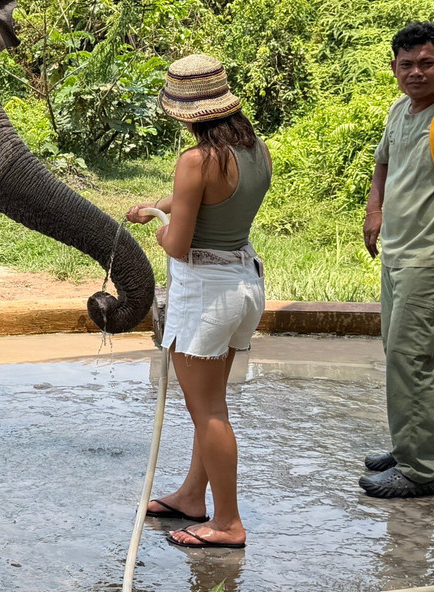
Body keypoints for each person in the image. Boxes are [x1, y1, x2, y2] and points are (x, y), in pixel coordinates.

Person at [125, 53, 270, 549]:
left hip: (205, 293)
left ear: (184, 112)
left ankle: (228, 523)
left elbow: (179, 245)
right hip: (244, 284)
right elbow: (205, 201)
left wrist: (160, 225)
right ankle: (192, 495)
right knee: (209, 402)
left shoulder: (195, 160)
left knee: (208, 411)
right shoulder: (254, 150)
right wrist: (157, 206)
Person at [360, 20, 434, 499]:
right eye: (406, 65)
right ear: (394, 69)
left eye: (426, 63)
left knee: (409, 358)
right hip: (396, 251)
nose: (416, 72)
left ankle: (417, 473)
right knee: (404, 355)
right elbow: (383, 164)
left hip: (432, 256)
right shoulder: (400, 110)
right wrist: (374, 210)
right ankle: (416, 449)